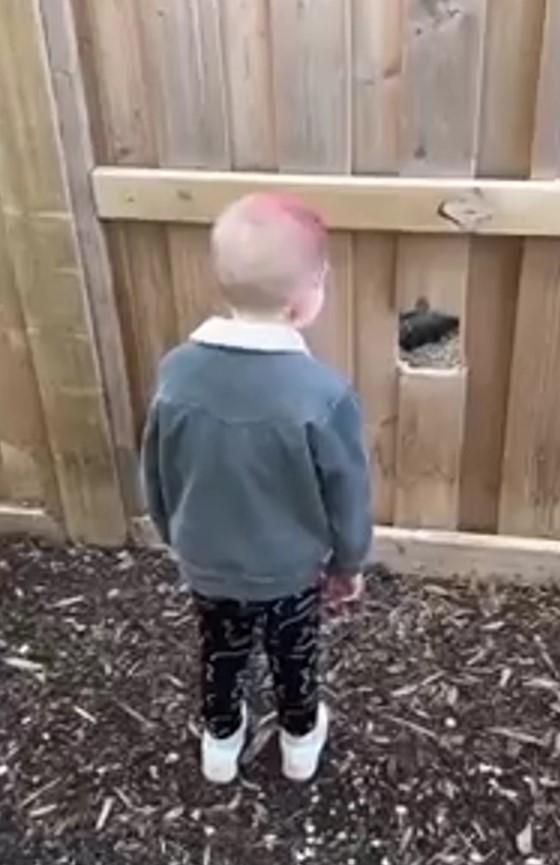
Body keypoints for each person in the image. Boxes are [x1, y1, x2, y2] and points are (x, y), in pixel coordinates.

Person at [141, 193, 372, 784]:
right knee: (293, 655)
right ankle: (299, 743)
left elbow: (157, 467)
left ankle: (220, 744)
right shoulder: (322, 395)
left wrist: (174, 535)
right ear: (305, 299)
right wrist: (348, 563)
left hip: (207, 563)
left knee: (220, 651)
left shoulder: (176, 375)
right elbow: (346, 490)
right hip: (290, 571)